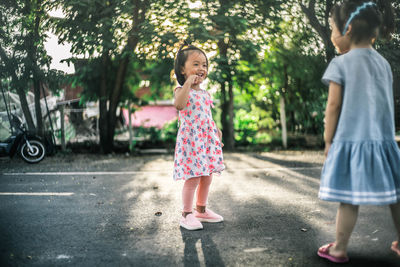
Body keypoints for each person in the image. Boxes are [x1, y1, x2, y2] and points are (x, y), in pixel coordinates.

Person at [317, 0, 400, 263]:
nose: (331, 36)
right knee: (396, 196)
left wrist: (328, 140)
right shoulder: (383, 64)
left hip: (352, 141)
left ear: (348, 29)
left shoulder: (341, 64)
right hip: (384, 142)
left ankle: (340, 248)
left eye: (333, 29)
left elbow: (333, 105)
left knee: (348, 199)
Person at [173, 42, 225, 231]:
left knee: (207, 175)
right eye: (195, 64)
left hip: (206, 140)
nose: (201, 68)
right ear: (182, 69)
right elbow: (179, 105)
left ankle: (201, 209)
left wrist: (216, 130)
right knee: (193, 176)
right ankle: (187, 214)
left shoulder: (205, 93)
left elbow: (206, 115)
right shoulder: (181, 90)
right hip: (191, 141)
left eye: (204, 65)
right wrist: (187, 83)